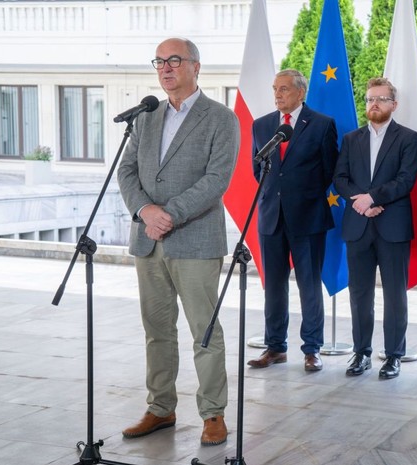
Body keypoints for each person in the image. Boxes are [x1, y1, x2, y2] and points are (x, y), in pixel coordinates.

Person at [117, 38, 239, 446]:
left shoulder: (220, 118)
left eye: (174, 60)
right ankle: (160, 408)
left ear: (196, 66)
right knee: (157, 330)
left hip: (195, 240)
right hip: (148, 241)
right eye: (159, 61)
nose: (165, 68)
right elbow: (126, 170)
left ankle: (213, 413)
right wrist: (144, 211)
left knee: (204, 330)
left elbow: (217, 179)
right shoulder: (146, 116)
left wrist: (168, 214)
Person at [247, 69, 338, 372]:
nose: (278, 94)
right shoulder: (262, 125)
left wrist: (301, 196)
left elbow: (328, 171)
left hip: (308, 217)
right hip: (271, 217)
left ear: (301, 92)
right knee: (273, 286)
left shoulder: (322, 124)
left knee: (309, 286)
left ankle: (312, 349)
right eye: (275, 88)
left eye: (284, 89)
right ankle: (275, 347)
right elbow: (258, 169)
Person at [333, 77, 417, 379]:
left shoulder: (408, 137)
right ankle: (361, 353)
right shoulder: (351, 139)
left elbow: (406, 180)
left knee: (395, 295)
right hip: (358, 225)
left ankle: (394, 355)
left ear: (393, 105)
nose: (374, 104)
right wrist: (362, 203)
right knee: (360, 295)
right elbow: (340, 178)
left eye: (381, 99)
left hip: (393, 225)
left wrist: (373, 198)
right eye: (370, 99)